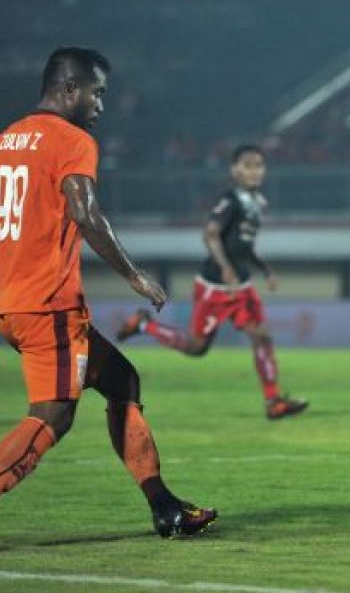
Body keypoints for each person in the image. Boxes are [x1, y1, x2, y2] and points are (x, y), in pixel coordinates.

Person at [0, 47, 217, 557]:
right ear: (68, 90)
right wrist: (134, 275)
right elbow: (85, 211)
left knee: (121, 379)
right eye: (96, 92)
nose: (101, 104)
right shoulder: (71, 140)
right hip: (48, 306)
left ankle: (163, 505)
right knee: (54, 416)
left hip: (15, 305)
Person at [118, 145, 307, 421]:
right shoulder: (230, 200)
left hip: (241, 287)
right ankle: (144, 324)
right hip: (215, 288)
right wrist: (226, 268)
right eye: (248, 165)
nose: (254, 170)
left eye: (259, 165)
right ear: (234, 170)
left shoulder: (257, 203)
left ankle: (273, 401)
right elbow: (211, 234)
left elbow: (243, 246)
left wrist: (264, 269)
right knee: (197, 348)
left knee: (262, 336)